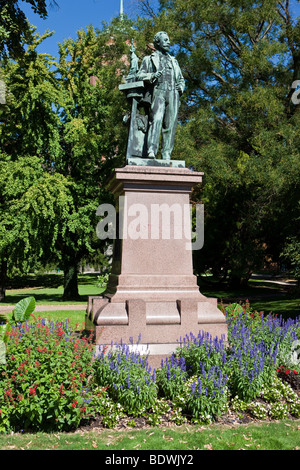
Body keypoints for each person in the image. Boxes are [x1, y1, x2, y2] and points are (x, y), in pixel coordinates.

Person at [137, 31, 185, 161]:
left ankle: (166, 154)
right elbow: (139, 75)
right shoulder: (149, 59)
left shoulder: (173, 60)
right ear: (158, 42)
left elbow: (181, 79)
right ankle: (151, 150)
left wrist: (180, 88)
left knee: (170, 125)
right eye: (165, 40)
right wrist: (151, 76)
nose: (168, 42)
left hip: (173, 93)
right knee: (156, 120)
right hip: (158, 91)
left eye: (168, 40)